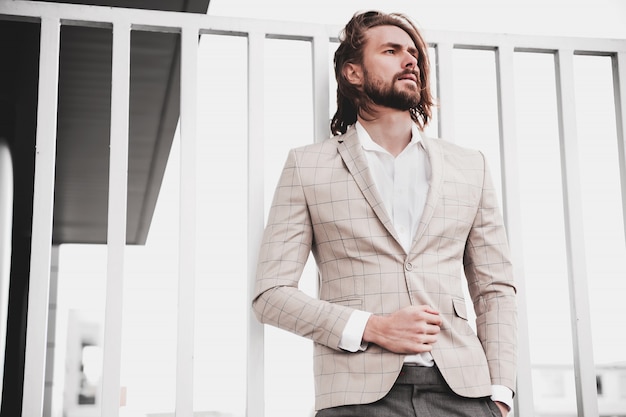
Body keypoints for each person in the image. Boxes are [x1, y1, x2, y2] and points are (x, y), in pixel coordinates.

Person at [252, 10, 517, 417]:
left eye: (412, 53)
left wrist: (499, 394)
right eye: (391, 51)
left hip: (466, 393)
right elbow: (270, 295)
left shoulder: (470, 166)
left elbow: (494, 288)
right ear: (353, 73)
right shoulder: (308, 166)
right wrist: (372, 327)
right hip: (357, 398)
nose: (409, 60)